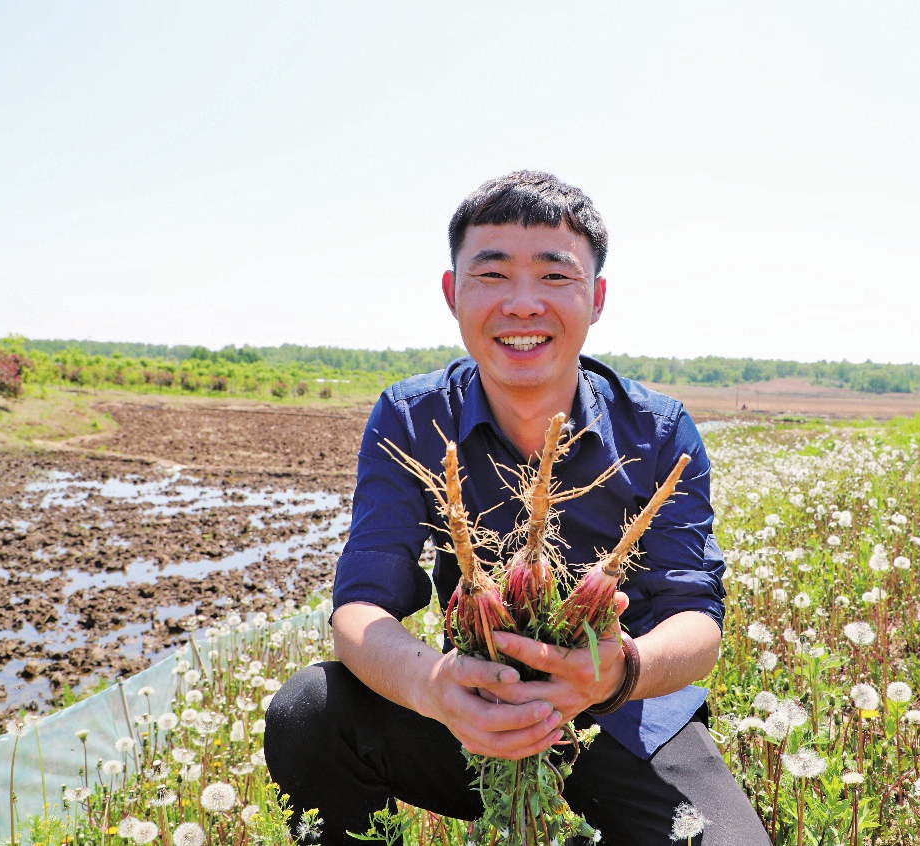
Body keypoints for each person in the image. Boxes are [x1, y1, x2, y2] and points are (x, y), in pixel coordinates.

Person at [266, 171, 770, 845]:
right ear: (453, 293)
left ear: (595, 298)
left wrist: (616, 673)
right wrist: (437, 687)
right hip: (476, 707)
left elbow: (695, 620)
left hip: (621, 716)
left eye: (555, 277)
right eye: (493, 274)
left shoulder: (657, 431)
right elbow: (360, 606)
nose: (523, 304)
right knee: (310, 711)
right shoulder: (411, 416)